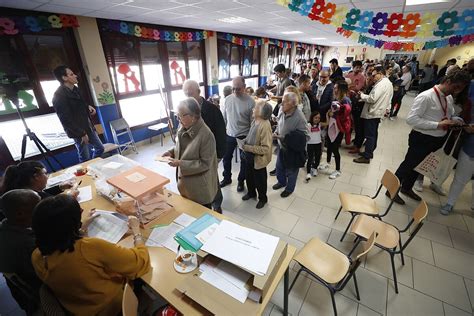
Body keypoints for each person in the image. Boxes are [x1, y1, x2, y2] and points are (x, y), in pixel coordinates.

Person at [31, 194, 150, 315]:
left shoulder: (36, 256)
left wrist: (80, 229)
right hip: (110, 308)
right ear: (71, 223)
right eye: (79, 212)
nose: (82, 211)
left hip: (78, 308)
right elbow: (138, 262)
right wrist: (136, 231)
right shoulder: (90, 247)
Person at [392, 70, 470, 205]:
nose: (457, 91)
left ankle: (406, 188)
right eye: (456, 87)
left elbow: (448, 113)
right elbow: (411, 120)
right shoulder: (426, 96)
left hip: (438, 139)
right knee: (408, 164)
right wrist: (438, 124)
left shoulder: (448, 97)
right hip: (422, 138)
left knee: (420, 166)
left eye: (461, 89)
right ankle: (391, 190)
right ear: (448, 81)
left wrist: (454, 120)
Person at [163, 98, 219, 208]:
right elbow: (181, 147)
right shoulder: (183, 126)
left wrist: (180, 163)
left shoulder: (206, 135)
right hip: (186, 187)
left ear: (193, 116)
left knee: (202, 219)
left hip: (200, 190)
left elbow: (205, 164)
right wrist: (171, 152)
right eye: (177, 115)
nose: (178, 119)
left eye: (181, 115)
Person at [183, 80, 226, 213]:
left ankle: (217, 202)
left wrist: (219, 155)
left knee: (212, 178)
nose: (188, 97)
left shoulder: (212, 110)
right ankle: (202, 200)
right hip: (193, 154)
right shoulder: (186, 110)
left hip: (210, 153)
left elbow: (220, 133)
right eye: (186, 94)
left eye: (190, 93)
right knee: (200, 179)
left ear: (198, 92)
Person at [0, 189, 42, 314]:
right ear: (20, 214)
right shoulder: (27, 244)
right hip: (41, 290)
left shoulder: (6, 225)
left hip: (22, 289)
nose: (42, 209)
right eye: (38, 206)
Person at [441, 60, 474, 215]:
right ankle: (450, 203)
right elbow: (462, 105)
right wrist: (464, 123)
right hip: (468, 144)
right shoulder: (470, 88)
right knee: (461, 176)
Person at [52, 65, 104, 163]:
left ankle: (92, 167)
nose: (75, 76)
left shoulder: (76, 89)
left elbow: (80, 103)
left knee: (100, 148)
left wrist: (88, 106)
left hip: (87, 126)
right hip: (77, 131)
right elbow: (66, 120)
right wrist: (82, 134)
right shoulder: (59, 96)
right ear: (64, 78)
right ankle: (87, 173)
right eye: (71, 74)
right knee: (85, 157)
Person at [220, 77, 255, 192]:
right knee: (226, 158)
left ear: (244, 87)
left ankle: (241, 180)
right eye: (233, 88)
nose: (235, 91)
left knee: (243, 161)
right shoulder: (227, 99)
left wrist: (250, 138)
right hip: (229, 134)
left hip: (244, 135)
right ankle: (227, 178)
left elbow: (252, 122)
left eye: (238, 89)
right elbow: (224, 118)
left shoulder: (250, 101)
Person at [353, 65, 393, 163]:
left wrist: (361, 95)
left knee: (370, 136)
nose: (373, 77)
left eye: (374, 75)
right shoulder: (387, 83)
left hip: (373, 112)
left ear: (380, 73)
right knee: (373, 134)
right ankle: (368, 152)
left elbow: (372, 98)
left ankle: (367, 156)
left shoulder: (381, 84)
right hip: (377, 112)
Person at [273, 92, 309, 198]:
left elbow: (305, 137)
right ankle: (282, 182)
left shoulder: (300, 118)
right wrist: (276, 131)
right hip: (281, 146)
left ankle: (289, 189)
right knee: (279, 167)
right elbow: (279, 124)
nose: (281, 104)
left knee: (291, 171)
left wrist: (284, 138)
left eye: (284, 102)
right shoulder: (282, 110)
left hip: (292, 150)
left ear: (293, 103)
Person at [241, 101, 273, 209]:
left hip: (259, 160)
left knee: (260, 181)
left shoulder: (265, 126)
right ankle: (251, 193)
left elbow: (265, 148)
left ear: (262, 113)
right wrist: (244, 141)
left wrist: (248, 148)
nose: (253, 109)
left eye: (255, 108)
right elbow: (251, 136)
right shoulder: (255, 121)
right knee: (249, 177)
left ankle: (263, 199)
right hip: (249, 157)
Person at [319, 80, 352, 179]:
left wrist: (335, 115)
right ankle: (328, 162)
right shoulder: (336, 98)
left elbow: (346, 115)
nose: (334, 89)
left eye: (336, 88)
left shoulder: (346, 100)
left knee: (335, 148)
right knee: (329, 144)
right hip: (332, 125)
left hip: (339, 127)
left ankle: (338, 169)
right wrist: (329, 114)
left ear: (342, 89)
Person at [1, 161, 77, 199]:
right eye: (45, 173)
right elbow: (59, 206)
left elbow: (42, 193)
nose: (47, 177)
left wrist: (60, 187)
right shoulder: (33, 199)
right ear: (36, 177)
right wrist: (70, 197)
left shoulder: (21, 191)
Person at [305, 111, 325, 182]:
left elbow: (327, 123)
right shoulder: (308, 125)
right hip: (310, 144)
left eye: (319, 118)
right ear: (312, 118)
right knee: (310, 158)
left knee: (317, 157)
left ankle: (315, 168)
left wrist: (328, 115)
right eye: (315, 118)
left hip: (318, 144)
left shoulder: (319, 124)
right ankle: (308, 172)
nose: (317, 119)